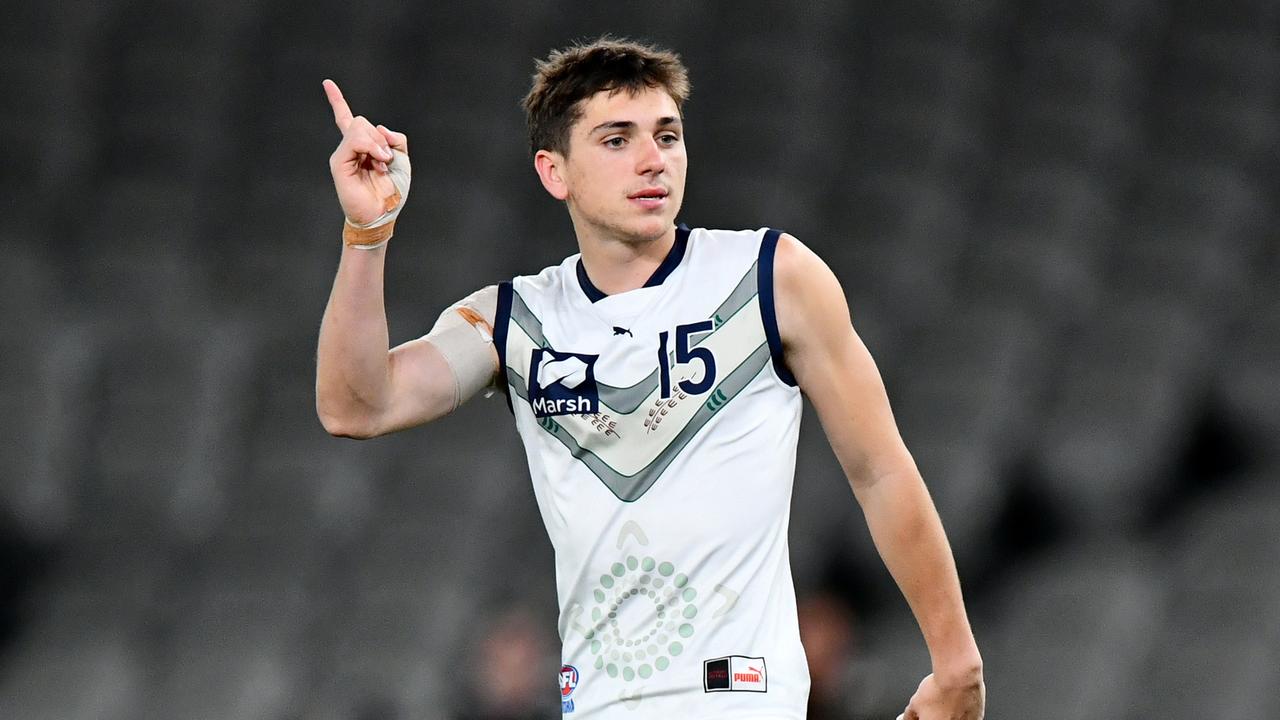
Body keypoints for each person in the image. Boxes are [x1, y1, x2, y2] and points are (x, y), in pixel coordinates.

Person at [315, 37, 984, 720]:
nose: (653, 159)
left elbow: (880, 470)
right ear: (555, 171)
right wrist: (368, 232)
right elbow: (356, 407)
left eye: (668, 135)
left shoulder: (770, 279)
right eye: (616, 139)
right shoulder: (514, 321)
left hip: (743, 698)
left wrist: (955, 658)